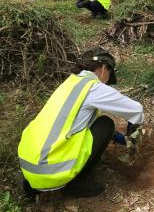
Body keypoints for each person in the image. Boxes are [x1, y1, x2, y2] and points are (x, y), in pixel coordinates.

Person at [18, 48, 144, 198]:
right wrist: (132, 135)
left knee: (98, 125)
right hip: (54, 171)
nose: (107, 82)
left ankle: (34, 185)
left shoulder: (69, 83)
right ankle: (77, 183)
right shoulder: (92, 87)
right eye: (109, 76)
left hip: (28, 165)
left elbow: (73, 122)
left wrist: (117, 138)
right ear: (103, 68)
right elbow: (136, 110)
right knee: (106, 123)